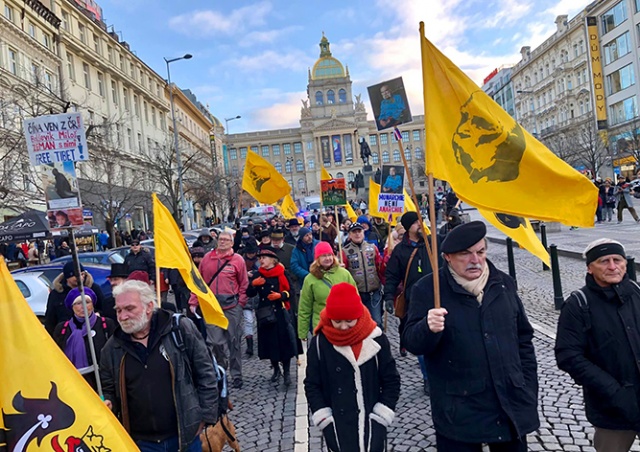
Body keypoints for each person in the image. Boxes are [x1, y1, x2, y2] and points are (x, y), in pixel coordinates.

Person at [403, 221, 539, 451]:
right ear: (447, 257)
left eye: (480, 252)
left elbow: (523, 339)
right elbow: (412, 342)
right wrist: (427, 327)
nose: (475, 260)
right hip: (459, 409)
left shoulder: (503, 284)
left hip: (509, 402)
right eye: (465, 254)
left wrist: (527, 386)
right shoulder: (428, 289)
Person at [100, 280, 217, 452]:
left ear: (149, 307)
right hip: (142, 443)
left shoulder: (180, 329)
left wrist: (204, 417)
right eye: (118, 310)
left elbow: (206, 373)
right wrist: (108, 402)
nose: (122, 316)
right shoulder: (111, 348)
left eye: (129, 308)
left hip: (185, 436)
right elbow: (109, 389)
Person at [555, 238, 640, 451]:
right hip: (612, 407)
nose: (612, 266)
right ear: (590, 268)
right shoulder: (578, 304)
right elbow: (568, 356)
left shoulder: (637, 292)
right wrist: (613, 391)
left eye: (617, 260)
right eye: (604, 261)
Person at [304, 282, 401, 451]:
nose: (343, 327)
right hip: (338, 428)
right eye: (337, 321)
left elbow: (391, 380)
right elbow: (312, 384)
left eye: (349, 320)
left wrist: (381, 415)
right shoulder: (320, 343)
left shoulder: (376, 339)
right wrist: (325, 420)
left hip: (372, 425)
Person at [384, 211, 435, 394]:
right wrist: (389, 297)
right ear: (408, 228)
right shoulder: (400, 251)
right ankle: (428, 377)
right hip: (415, 302)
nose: (421, 225)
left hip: (437, 297)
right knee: (423, 339)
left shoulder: (432, 243)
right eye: (416, 223)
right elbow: (391, 276)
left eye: (421, 222)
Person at [190, 230, 248, 389]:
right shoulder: (207, 259)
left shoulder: (238, 260)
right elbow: (198, 282)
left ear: (231, 242)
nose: (222, 242)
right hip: (212, 308)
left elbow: (244, 283)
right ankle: (221, 369)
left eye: (226, 240)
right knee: (215, 342)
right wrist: (193, 300)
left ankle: (236, 375)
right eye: (220, 239)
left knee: (234, 341)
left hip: (232, 307)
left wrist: (241, 302)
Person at [246, 246, 297, 386]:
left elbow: (291, 292)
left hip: (280, 312)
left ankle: (286, 372)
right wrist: (253, 285)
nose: (261, 261)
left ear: (273, 260)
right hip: (265, 312)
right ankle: (276, 369)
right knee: (270, 344)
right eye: (260, 258)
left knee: (284, 343)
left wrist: (280, 295)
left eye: (264, 258)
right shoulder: (258, 274)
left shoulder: (282, 273)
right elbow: (249, 294)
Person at [53, 287, 116, 391]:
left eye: (87, 302)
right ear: (72, 307)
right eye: (78, 303)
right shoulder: (62, 329)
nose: (83, 307)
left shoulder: (106, 324)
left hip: (102, 385)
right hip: (72, 385)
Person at [298, 241, 356, 339]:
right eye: (324, 256)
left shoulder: (344, 274)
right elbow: (305, 307)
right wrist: (303, 332)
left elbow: (355, 299)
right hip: (322, 326)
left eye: (330, 255)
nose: (328, 258)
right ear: (317, 259)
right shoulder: (310, 279)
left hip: (344, 325)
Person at [341, 223, 385, 328]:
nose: (357, 234)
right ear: (349, 235)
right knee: (359, 323)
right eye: (354, 232)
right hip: (356, 293)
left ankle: (379, 342)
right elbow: (342, 273)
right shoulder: (345, 251)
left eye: (359, 231)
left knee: (377, 321)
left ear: (363, 233)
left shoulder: (372, 248)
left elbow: (380, 267)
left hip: (373, 291)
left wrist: (386, 261)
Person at [44, 262, 106, 335]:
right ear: (67, 277)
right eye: (76, 275)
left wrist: (98, 314)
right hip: (66, 334)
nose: (80, 278)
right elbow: (50, 319)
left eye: (82, 274)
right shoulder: (57, 294)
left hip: (92, 332)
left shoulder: (94, 289)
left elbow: (104, 308)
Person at [241, 240, 260, 357]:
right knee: (248, 321)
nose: (251, 255)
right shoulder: (240, 262)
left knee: (260, 320)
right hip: (246, 294)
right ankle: (250, 346)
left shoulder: (260, 261)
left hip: (258, 294)